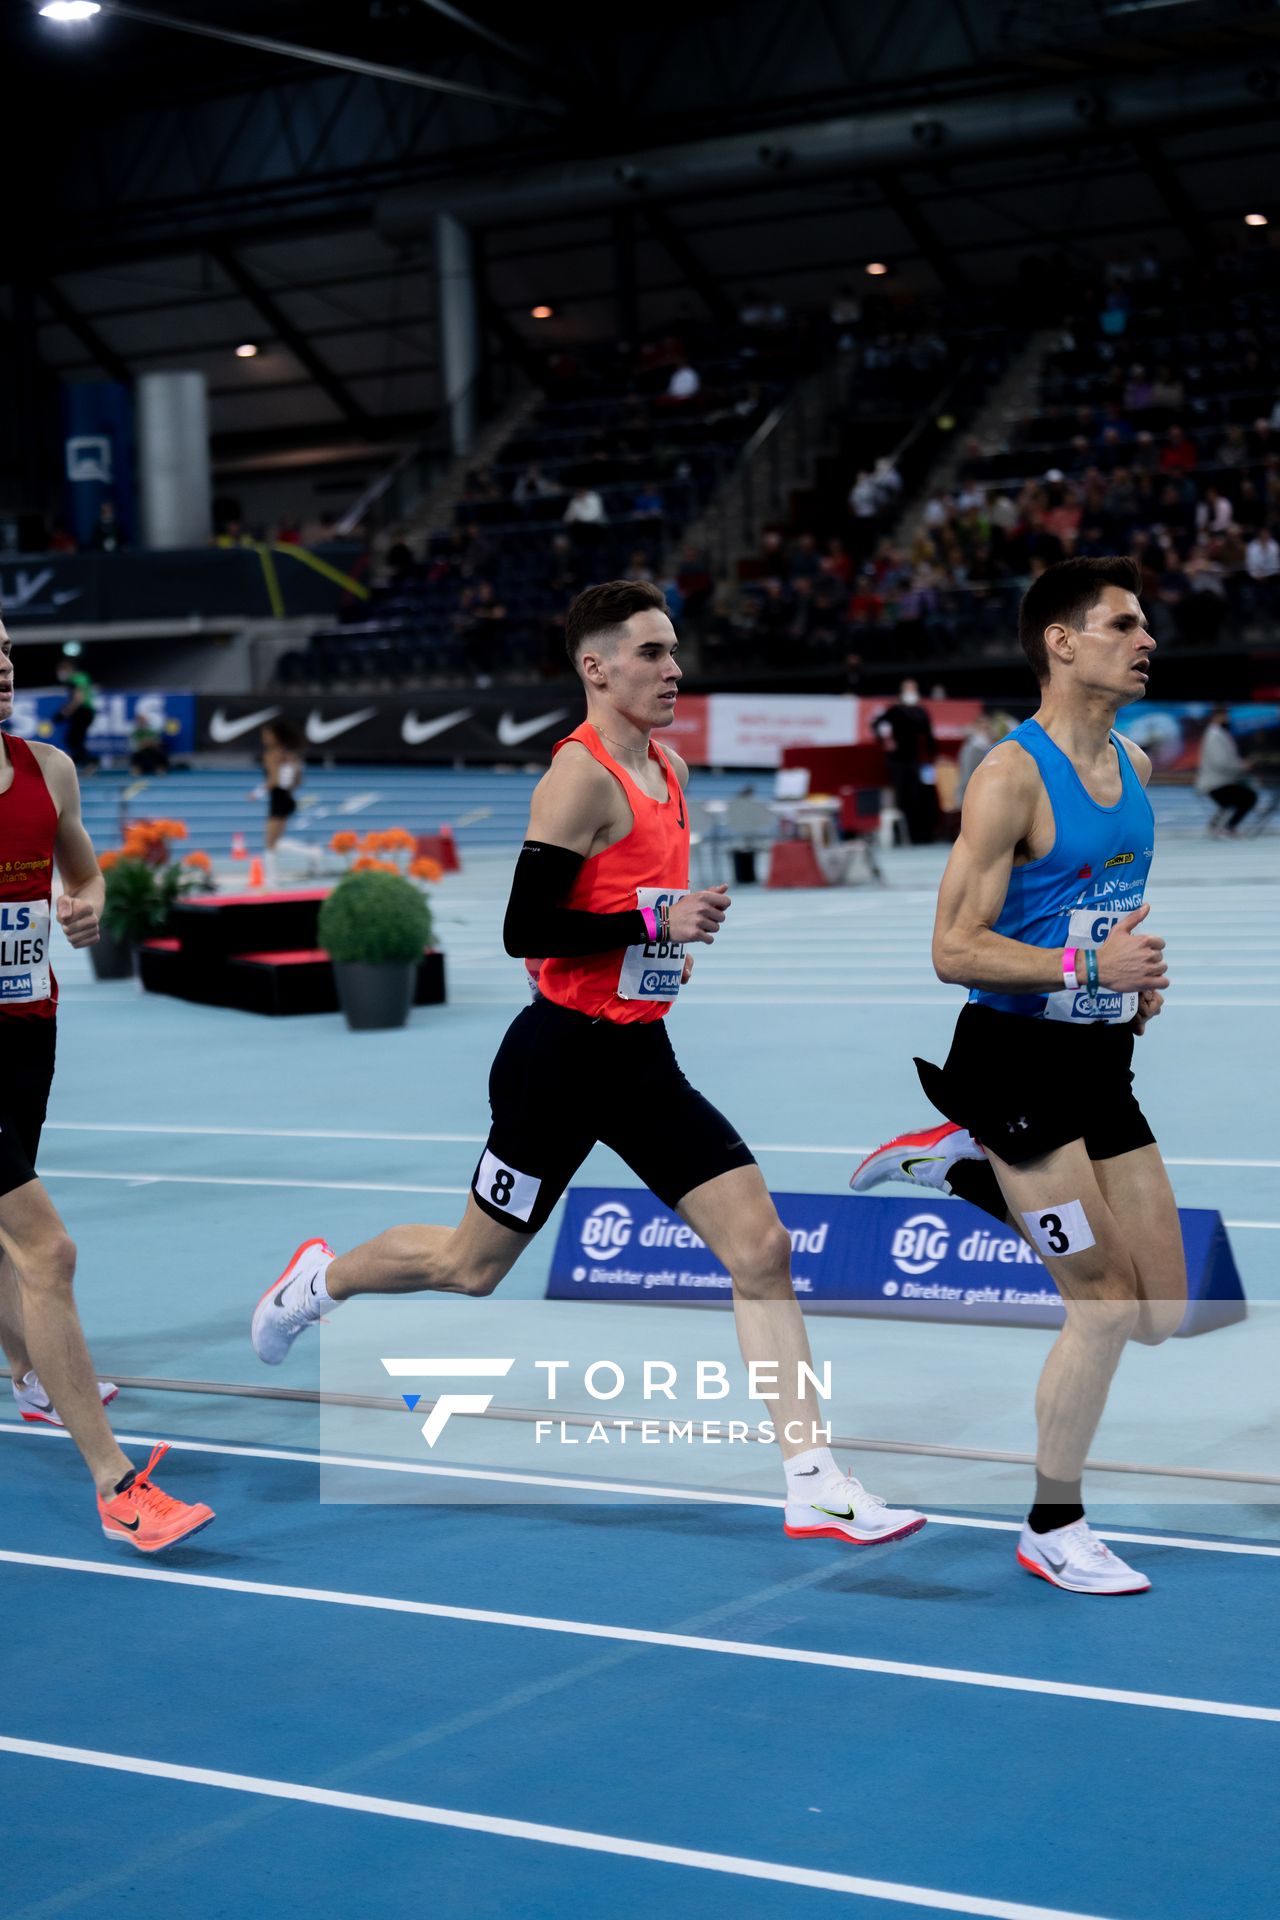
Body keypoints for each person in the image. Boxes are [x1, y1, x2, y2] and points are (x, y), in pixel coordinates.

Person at [252, 580, 925, 1548]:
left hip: (640, 1057)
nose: (672, 669)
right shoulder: (577, 777)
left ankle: (811, 1479)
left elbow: (622, 911)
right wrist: (656, 919)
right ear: (595, 668)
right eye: (650, 653)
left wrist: (662, 946)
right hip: (558, 1061)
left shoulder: (673, 769)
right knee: (469, 1265)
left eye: (674, 652)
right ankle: (321, 1281)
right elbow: (525, 926)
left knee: (762, 1250)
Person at [850, 556, 1182, 1595]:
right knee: (1099, 1302)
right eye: (1123, 625)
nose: (1145, 642)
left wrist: (1127, 984)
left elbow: (1095, 927)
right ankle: (1051, 1523)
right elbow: (953, 947)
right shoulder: (1007, 774)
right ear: (1060, 642)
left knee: (1160, 1305)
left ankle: (955, 1170)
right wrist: (1087, 967)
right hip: (1012, 1065)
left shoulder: (1129, 765)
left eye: (1144, 626)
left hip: (1096, 1056)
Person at [0, 614, 213, 1549]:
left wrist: (84, 910)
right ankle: (117, 1484)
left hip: (27, 1032)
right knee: (47, 1249)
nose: (3, 668)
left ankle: (29, 1368)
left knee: (7, 1232)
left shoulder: (49, 769)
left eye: (5, 650)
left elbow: (83, 875)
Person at [873, 679, 937, 844]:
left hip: (917, 762)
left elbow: (929, 737)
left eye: (914, 688)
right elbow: (877, 725)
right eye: (908, 688)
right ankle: (901, 836)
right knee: (903, 799)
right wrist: (886, 741)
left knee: (920, 797)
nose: (911, 691)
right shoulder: (894, 711)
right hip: (897, 762)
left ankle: (921, 836)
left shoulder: (921, 712)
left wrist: (933, 757)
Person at [1195, 706, 1259, 834]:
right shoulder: (1214, 735)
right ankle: (1228, 826)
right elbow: (1220, 762)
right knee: (1249, 797)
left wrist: (1241, 765)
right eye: (1226, 715)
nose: (1228, 718)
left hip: (1221, 780)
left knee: (1244, 791)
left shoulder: (1218, 733)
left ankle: (1219, 824)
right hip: (1216, 783)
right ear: (1218, 716)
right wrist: (1242, 766)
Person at [261, 719, 303, 884]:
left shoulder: (271, 755)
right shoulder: (289, 754)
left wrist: (256, 793)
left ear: (275, 737)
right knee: (275, 842)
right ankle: (311, 853)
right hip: (287, 798)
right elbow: (297, 781)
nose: (264, 738)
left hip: (278, 799)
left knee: (270, 842)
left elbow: (274, 780)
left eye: (267, 735)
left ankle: (272, 878)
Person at [54, 655, 96, 768]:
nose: (60, 673)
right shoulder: (81, 677)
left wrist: (66, 711)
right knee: (74, 739)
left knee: (75, 739)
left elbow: (79, 698)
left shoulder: (76, 679)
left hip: (83, 711)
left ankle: (88, 763)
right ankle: (80, 762)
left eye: (62, 670)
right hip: (85, 711)